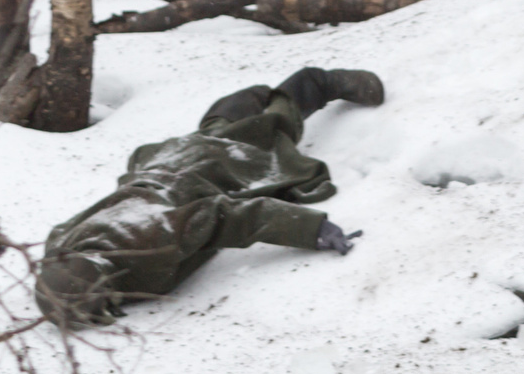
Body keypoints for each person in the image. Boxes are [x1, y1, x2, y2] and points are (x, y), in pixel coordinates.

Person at [35, 66, 384, 328]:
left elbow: (229, 216)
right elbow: (59, 253)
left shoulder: (149, 239)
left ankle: (312, 85)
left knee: (267, 139)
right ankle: (231, 111)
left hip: (201, 175)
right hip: (159, 164)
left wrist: (311, 229)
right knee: (214, 137)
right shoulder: (63, 248)